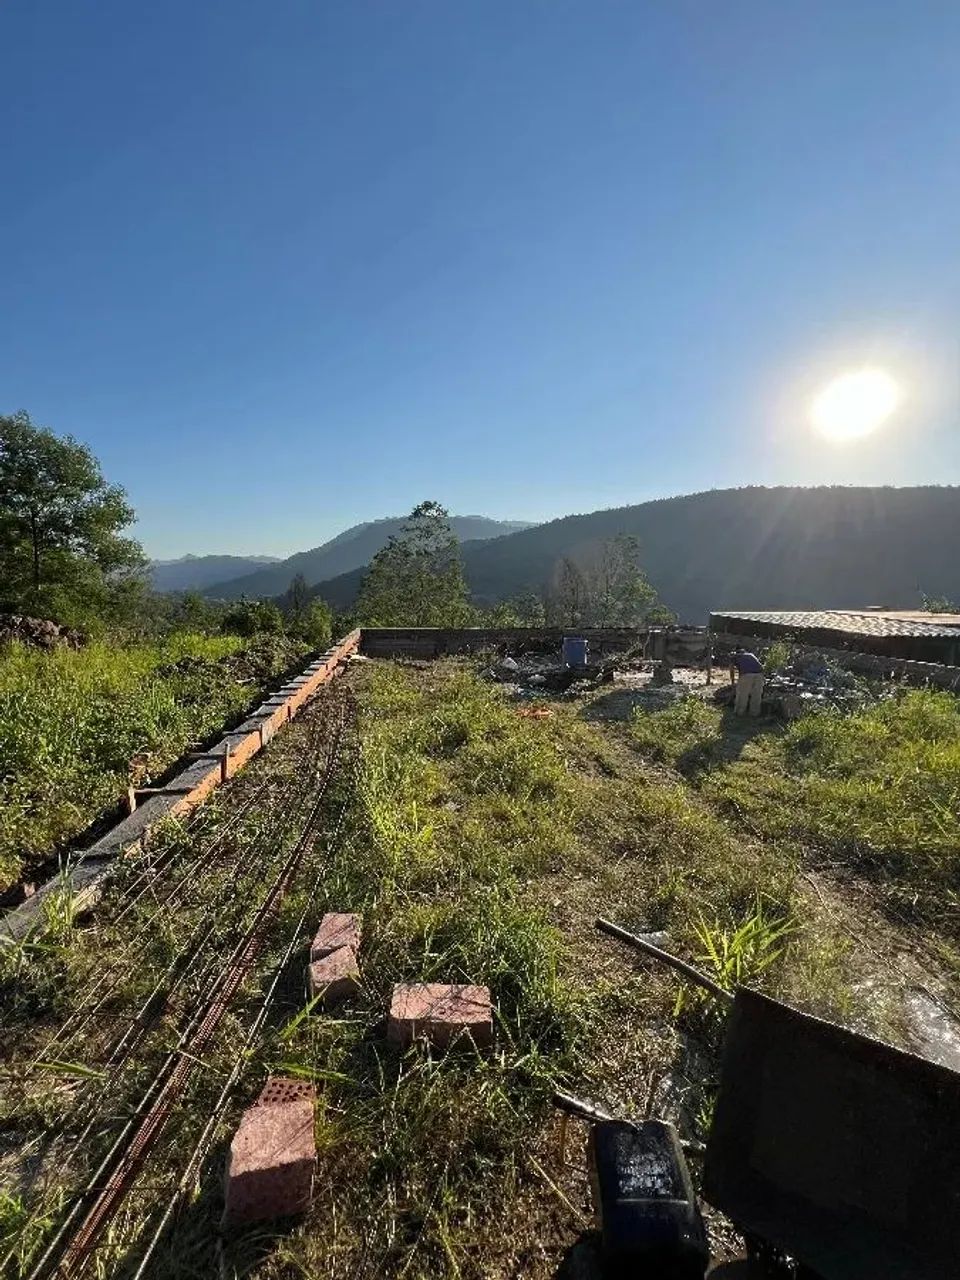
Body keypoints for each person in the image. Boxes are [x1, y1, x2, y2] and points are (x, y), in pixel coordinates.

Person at [729, 646, 764, 715]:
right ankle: (754, 713)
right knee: (756, 695)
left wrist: (733, 682)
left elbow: (731, 670)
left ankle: (739, 713)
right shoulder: (751, 655)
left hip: (747, 674)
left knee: (742, 694)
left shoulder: (735, 656)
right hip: (760, 674)